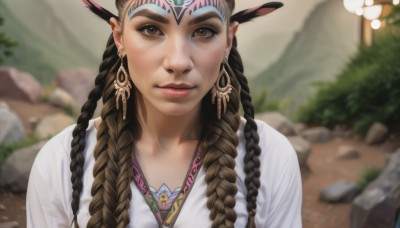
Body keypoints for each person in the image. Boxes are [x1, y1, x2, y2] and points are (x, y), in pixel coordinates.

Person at [26, 0, 302, 227]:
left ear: (229, 40)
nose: (178, 61)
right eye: (150, 29)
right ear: (119, 37)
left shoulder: (270, 157)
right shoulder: (61, 161)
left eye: (204, 31)